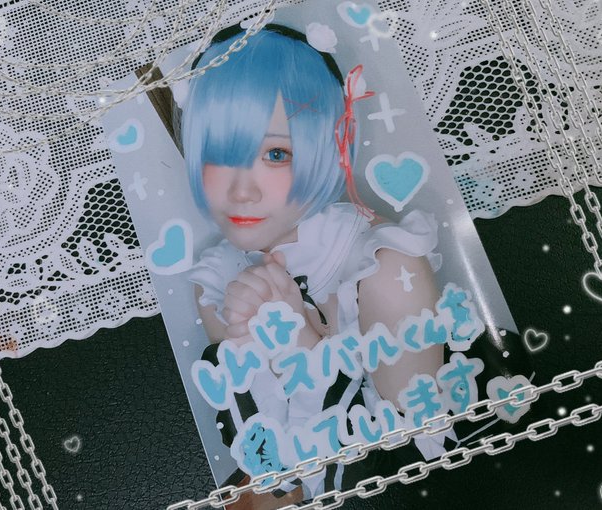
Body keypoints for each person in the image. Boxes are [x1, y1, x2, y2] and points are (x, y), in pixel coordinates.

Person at [181, 23, 452, 507]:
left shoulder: (384, 262)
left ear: (330, 144)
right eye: (221, 154)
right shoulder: (217, 280)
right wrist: (253, 345)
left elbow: (411, 463)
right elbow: (272, 473)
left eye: (275, 153)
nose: (241, 190)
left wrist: (301, 342)